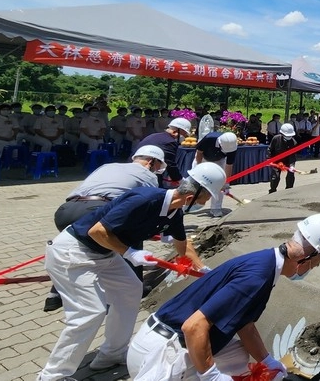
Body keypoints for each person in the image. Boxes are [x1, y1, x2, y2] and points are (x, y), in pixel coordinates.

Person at [37, 163, 226, 381]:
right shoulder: (145, 199)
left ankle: (111, 354)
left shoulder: (174, 213)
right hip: (75, 251)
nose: (203, 204)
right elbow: (97, 231)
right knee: (90, 312)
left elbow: (182, 244)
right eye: (204, 199)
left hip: (105, 254)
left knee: (131, 289)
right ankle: (52, 375)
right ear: (192, 194)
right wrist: (130, 253)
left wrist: (202, 269)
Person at [126, 214, 320, 380]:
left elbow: (244, 325)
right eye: (318, 261)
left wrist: (267, 361)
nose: (317, 266)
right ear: (307, 256)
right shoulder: (256, 279)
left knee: (238, 356)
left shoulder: (265, 263)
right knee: (215, 366)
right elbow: (193, 327)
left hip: (160, 340)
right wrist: (210, 374)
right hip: (159, 356)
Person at [43, 145, 171, 313]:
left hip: (65, 210)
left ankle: (54, 296)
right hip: (97, 209)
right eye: (157, 166)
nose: (156, 170)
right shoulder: (147, 175)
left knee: (77, 248)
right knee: (130, 238)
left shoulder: (108, 166)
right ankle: (133, 287)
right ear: (151, 162)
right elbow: (150, 204)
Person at [135, 117, 192, 187]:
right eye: (184, 134)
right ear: (176, 131)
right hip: (146, 171)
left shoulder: (155, 136)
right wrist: (179, 179)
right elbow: (170, 164)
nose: (185, 137)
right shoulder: (169, 142)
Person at [194, 132, 238, 217]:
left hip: (220, 161)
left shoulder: (232, 147)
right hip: (203, 159)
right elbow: (199, 153)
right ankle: (190, 204)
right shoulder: (209, 138)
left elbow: (229, 165)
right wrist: (198, 168)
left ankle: (216, 208)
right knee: (195, 182)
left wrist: (226, 183)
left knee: (220, 183)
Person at [267, 123, 298, 193]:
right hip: (276, 160)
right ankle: (272, 190)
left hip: (288, 161)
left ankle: (289, 190)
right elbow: (270, 149)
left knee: (291, 175)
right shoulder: (276, 139)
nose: (289, 137)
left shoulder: (294, 142)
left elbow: (293, 155)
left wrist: (292, 165)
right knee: (275, 176)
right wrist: (268, 159)